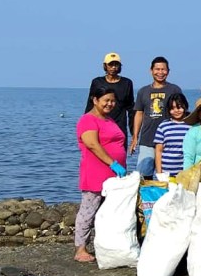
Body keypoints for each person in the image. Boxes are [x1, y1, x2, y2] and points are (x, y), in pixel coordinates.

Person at [76, 84, 128, 263]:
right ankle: (80, 249)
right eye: (106, 100)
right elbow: (92, 144)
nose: (110, 104)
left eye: (113, 101)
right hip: (96, 173)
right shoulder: (88, 120)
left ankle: (106, 245)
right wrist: (112, 162)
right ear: (95, 100)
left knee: (109, 212)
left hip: (114, 176)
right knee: (88, 211)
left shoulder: (109, 120)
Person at [130, 56, 182, 178]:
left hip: (168, 139)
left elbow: (181, 111)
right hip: (147, 139)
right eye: (157, 69)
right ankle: (145, 197)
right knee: (143, 175)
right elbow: (139, 113)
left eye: (163, 69)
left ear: (168, 71)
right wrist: (135, 137)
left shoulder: (174, 89)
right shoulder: (143, 91)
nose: (160, 72)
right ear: (151, 70)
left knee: (166, 175)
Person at [84, 52, 134, 144]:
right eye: (111, 64)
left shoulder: (126, 83)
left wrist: (134, 133)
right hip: (100, 126)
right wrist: (85, 125)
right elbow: (90, 105)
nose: (114, 67)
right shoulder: (97, 82)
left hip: (119, 127)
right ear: (105, 66)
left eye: (116, 65)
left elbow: (131, 108)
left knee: (119, 155)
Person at [152, 93, 190, 178]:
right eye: (172, 108)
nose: (176, 110)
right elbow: (158, 151)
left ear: (185, 106)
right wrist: (159, 173)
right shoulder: (163, 126)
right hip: (166, 172)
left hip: (185, 172)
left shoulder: (191, 125)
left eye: (179, 107)